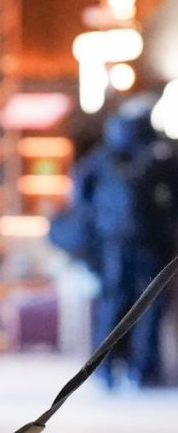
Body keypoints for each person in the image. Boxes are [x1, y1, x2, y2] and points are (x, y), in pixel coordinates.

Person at [50, 95, 178, 387]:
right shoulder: (162, 153)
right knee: (149, 304)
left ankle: (106, 369)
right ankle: (143, 371)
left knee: (114, 301)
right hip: (152, 242)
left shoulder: (105, 155)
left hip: (114, 241)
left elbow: (80, 196)